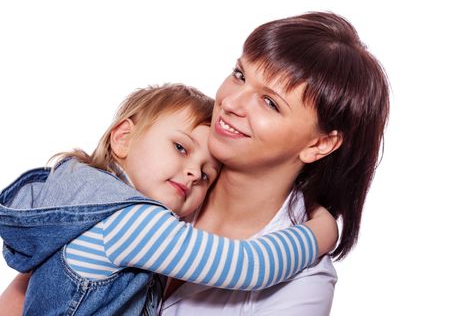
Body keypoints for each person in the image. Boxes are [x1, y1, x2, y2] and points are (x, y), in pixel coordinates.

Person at [0, 84, 336, 315]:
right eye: (180, 148)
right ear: (123, 137)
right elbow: (247, 265)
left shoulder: (78, 193)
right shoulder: (133, 223)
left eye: (206, 175)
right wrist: (322, 230)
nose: (193, 173)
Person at [161, 11, 390, 315]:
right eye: (240, 75)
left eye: (269, 103)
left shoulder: (304, 285)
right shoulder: (164, 145)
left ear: (319, 144)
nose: (230, 103)